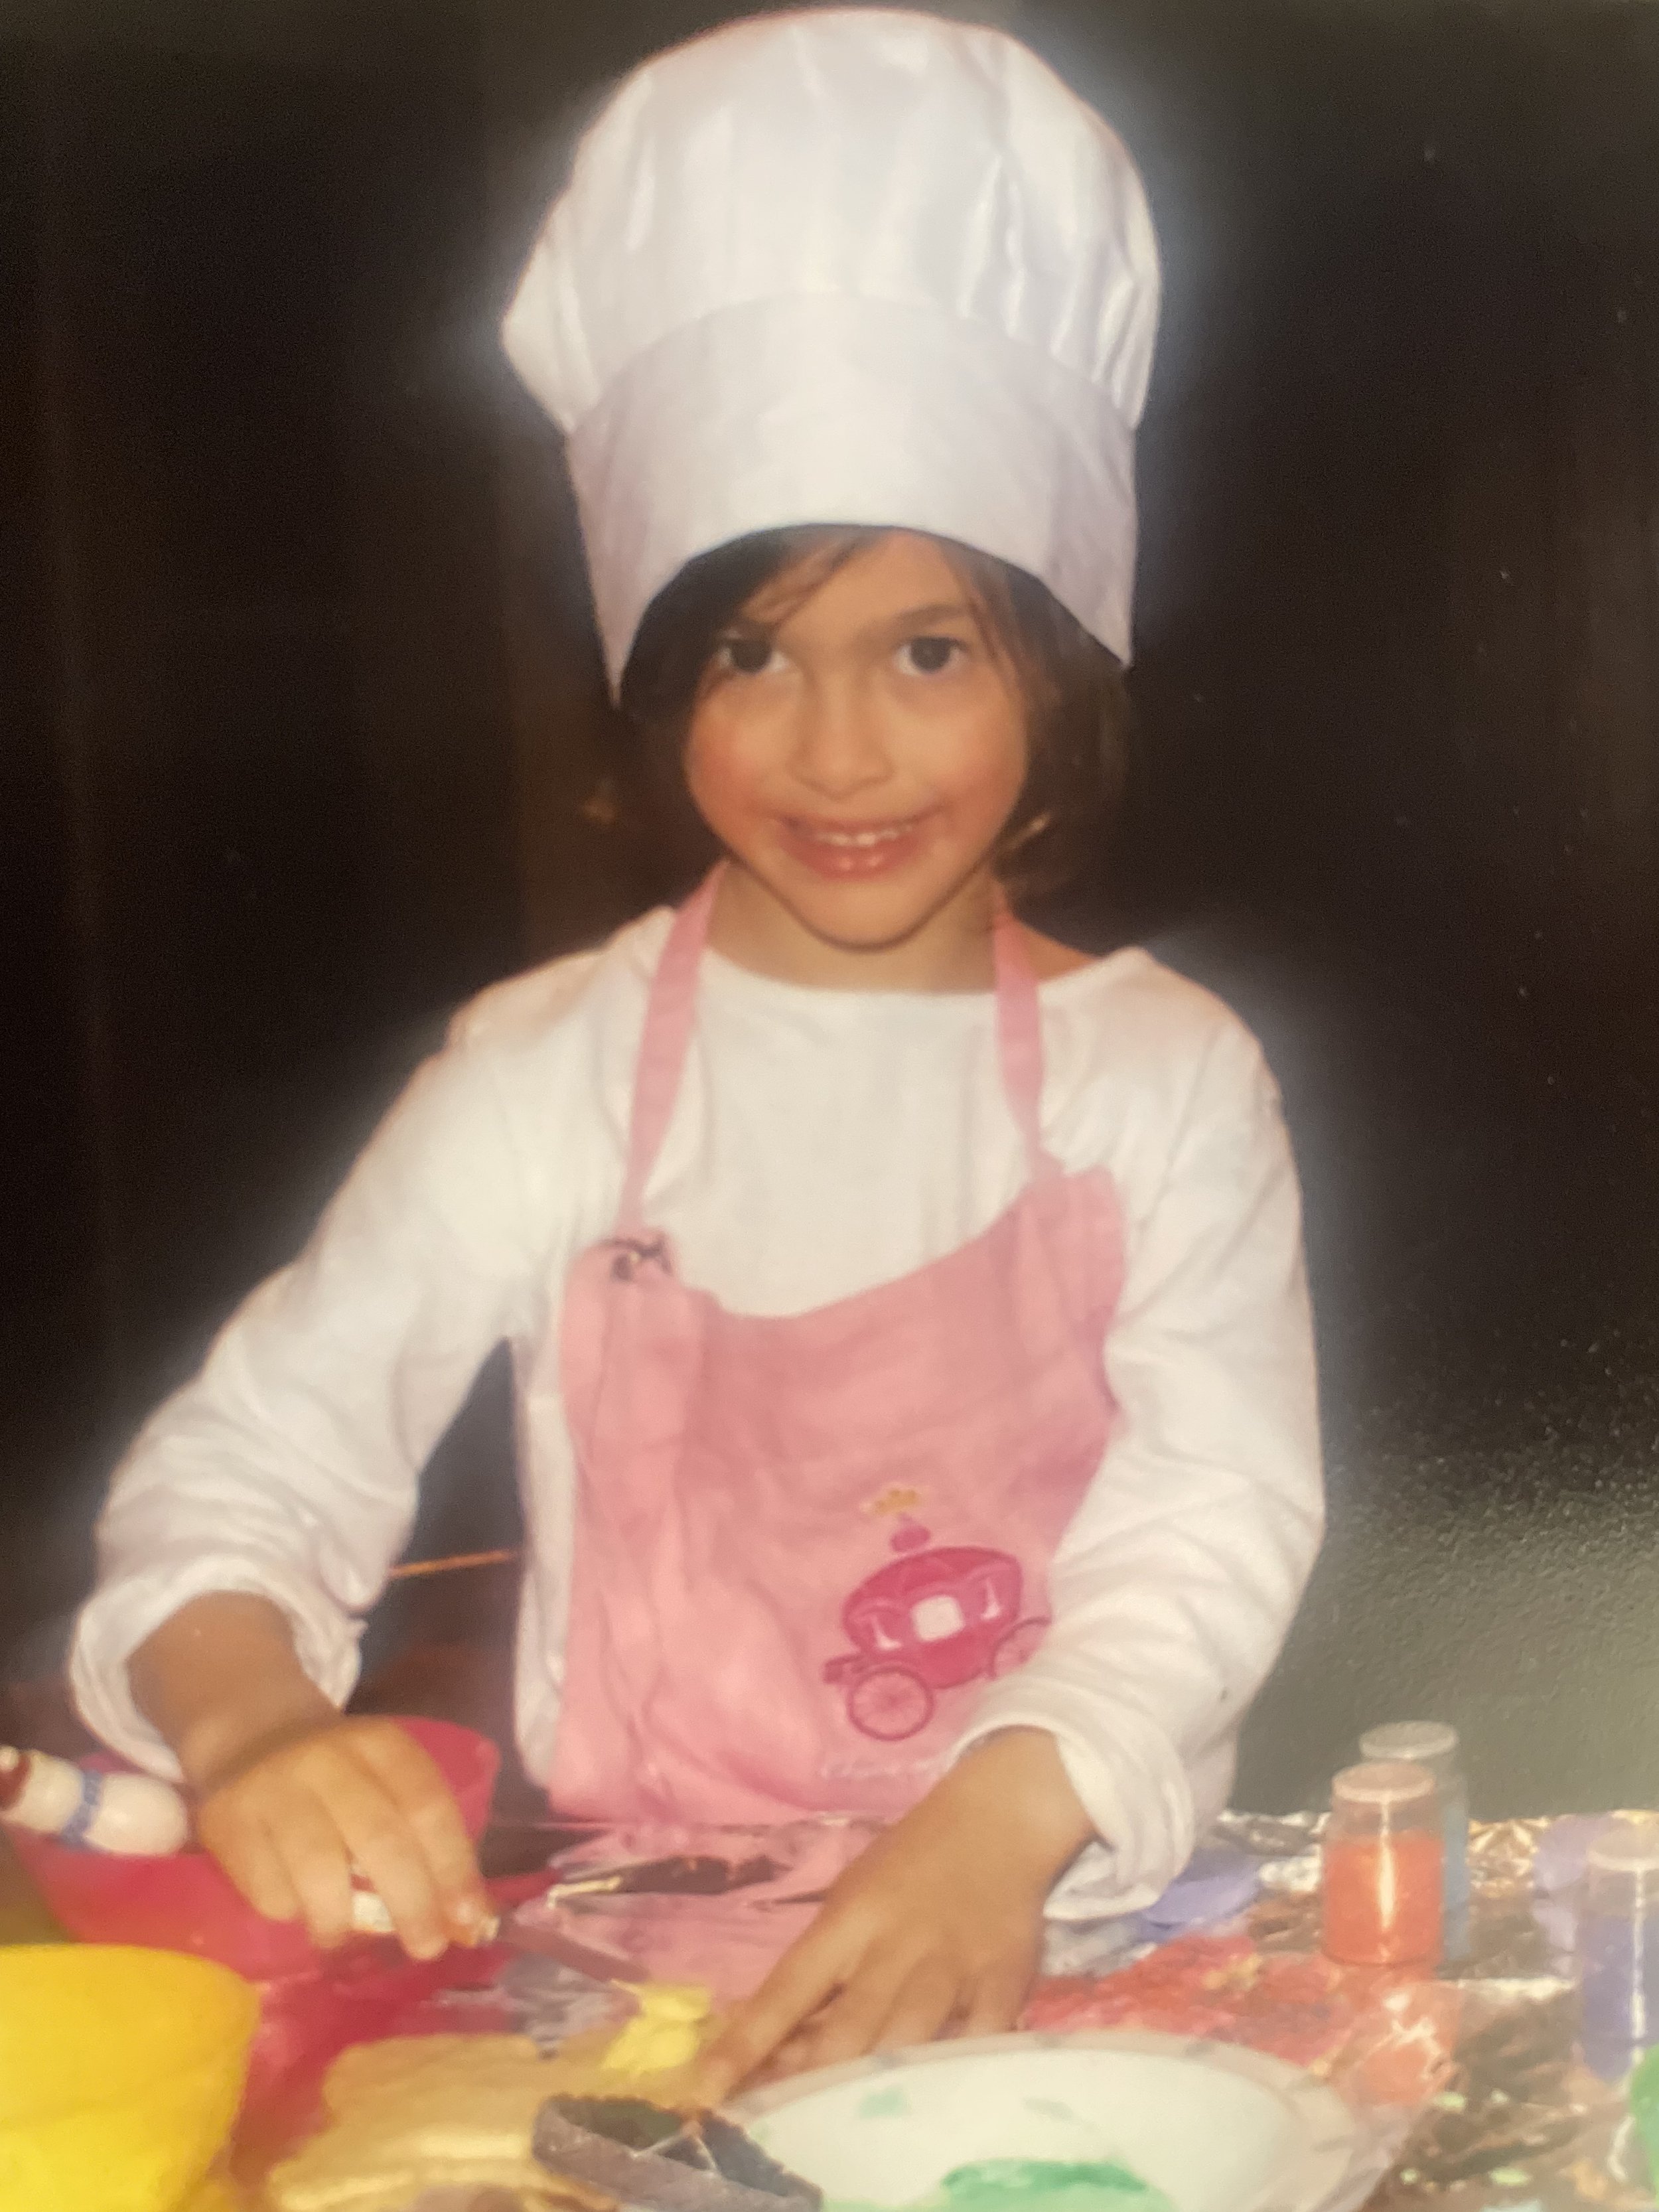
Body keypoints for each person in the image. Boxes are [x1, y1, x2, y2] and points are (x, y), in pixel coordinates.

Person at [68, 8, 1322, 2094]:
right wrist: (261, 1726)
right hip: (621, 1990)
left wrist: (993, 1826)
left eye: (927, 652)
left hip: (1050, 1936)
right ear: (662, 689)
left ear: (1057, 673)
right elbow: (256, 1463)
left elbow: (1210, 1518)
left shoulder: (1164, 1080)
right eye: (751, 656)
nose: (837, 752)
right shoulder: (540, 1071)